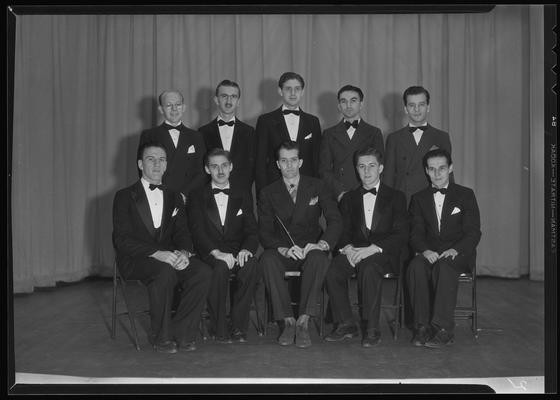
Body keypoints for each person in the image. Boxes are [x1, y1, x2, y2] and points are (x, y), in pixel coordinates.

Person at [112, 141, 212, 353]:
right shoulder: (124, 196)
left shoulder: (174, 195)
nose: (157, 165)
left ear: (166, 165)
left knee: (202, 272)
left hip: (169, 257)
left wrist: (184, 252)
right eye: (151, 159)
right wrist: (157, 253)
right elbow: (122, 240)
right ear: (140, 164)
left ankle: (182, 332)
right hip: (136, 259)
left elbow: (183, 232)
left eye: (162, 160)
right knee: (164, 271)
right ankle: (161, 337)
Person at [258, 141, 342, 348]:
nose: (289, 166)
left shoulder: (317, 186)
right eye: (284, 161)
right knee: (267, 259)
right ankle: (287, 320)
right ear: (278, 164)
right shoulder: (268, 192)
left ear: (300, 162)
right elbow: (265, 231)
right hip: (283, 250)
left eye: (293, 160)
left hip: (310, 247)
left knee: (319, 259)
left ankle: (304, 321)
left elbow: (335, 220)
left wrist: (321, 244)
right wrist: (283, 249)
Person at [324, 147, 408, 347]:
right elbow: (342, 231)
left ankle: (372, 328)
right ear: (356, 169)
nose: (367, 171)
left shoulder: (396, 197)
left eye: (371, 166)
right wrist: (348, 248)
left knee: (369, 269)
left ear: (381, 168)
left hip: (382, 253)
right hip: (355, 250)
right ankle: (346, 323)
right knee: (332, 270)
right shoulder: (349, 198)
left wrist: (373, 248)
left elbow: (400, 234)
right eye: (362, 166)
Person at [407, 149, 481, 348]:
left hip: (459, 253)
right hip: (431, 251)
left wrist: (455, 250)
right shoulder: (419, 198)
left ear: (450, 168)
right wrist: (425, 250)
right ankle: (422, 326)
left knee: (444, 267)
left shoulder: (465, 194)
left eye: (441, 168)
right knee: (416, 266)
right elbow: (415, 233)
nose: (437, 173)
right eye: (432, 169)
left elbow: (473, 232)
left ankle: (443, 329)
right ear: (426, 171)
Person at [188, 148, 260, 343]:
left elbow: (252, 230)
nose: (220, 171)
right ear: (207, 169)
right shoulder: (197, 195)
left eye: (224, 165)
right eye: (214, 166)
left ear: (231, 167)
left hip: (237, 251)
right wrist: (216, 252)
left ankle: (238, 326)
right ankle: (218, 325)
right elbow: (197, 231)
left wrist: (246, 249)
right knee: (219, 268)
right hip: (209, 252)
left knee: (251, 265)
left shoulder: (242, 193)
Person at [383, 86, 453, 204]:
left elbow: (448, 174)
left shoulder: (441, 137)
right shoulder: (394, 138)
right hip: (403, 202)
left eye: (421, 104)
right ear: (405, 109)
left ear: (428, 107)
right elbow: (388, 178)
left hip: (433, 201)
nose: (417, 109)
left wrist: (452, 202)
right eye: (412, 105)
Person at [255, 72, 322, 195]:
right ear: (280, 91)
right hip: (274, 189)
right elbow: (260, 162)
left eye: (297, 89)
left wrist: (316, 192)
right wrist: (262, 195)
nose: (293, 93)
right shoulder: (265, 121)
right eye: (288, 89)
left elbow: (317, 160)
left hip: (307, 190)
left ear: (302, 92)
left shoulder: (313, 122)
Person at [138, 90, 207, 202]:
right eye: (169, 105)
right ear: (161, 109)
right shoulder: (149, 135)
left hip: (189, 200)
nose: (174, 109)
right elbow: (143, 169)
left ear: (184, 107)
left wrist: (184, 194)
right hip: (159, 198)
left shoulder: (196, 136)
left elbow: (202, 170)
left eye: (178, 105)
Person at [319, 85, 384, 202]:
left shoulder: (374, 132)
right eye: (344, 101)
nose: (348, 105)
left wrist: (367, 189)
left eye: (353, 101)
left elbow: (379, 166)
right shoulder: (329, 134)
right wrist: (339, 192)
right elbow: (324, 170)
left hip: (366, 193)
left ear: (361, 104)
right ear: (339, 106)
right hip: (338, 195)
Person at [198, 80, 256, 192]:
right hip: (211, 195)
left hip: (242, 194)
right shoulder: (202, 132)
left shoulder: (249, 132)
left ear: (238, 101)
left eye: (233, 96)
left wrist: (242, 188)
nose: (229, 101)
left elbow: (253, 167)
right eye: (224, 96)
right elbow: (201, 166)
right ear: (216, 100)